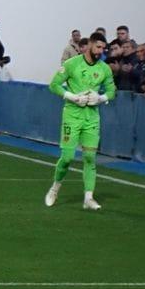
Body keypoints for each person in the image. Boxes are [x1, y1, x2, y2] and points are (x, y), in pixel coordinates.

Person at [44, 32, 116, 211]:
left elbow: (112, 91)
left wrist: (99, 98)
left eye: (103, 48)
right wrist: (73, 97)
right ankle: (55, 188)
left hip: (92, 118)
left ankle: (88, 198)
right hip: (72, 117)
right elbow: (53, 85)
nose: (101, 51)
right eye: (98, 47)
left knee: (90, 157)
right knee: (67, 157)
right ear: (90, 44)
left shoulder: (104, 69)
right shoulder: (71, 64)